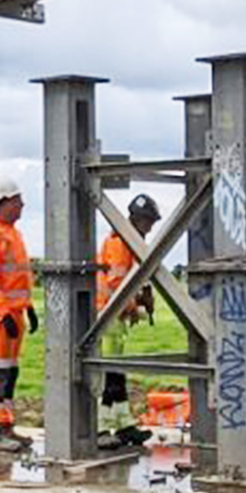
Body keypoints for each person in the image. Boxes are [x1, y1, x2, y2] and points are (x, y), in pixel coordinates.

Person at [0, 177, 38, 453]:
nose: (22, 204)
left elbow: (17, 279)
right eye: (17, 199)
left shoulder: (14, 235)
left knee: (10, 372)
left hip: (14, 315)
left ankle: (6, 425)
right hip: (0, 319)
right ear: (4, 203)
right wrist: (5, 314)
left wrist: (29, 307)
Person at [95, 193, 158, 450]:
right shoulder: (120, 243)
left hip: (115, 317)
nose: (151, 228)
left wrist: (141, 296)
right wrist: (137, 305)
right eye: (149, 222)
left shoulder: (129, 244)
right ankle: (99, 428)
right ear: (137, 220)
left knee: (117, 374)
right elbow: (116, 286)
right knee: (108, 375)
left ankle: (123, 425)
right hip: (105, 316)